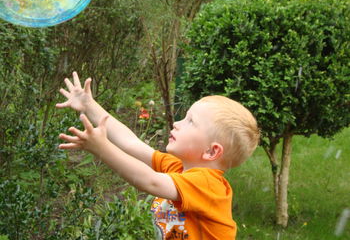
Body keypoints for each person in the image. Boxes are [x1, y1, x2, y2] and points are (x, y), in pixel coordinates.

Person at [57, 72, 260, 240]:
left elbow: (151, 182)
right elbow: (131, 143)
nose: (176, 123)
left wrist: (102, 148)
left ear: (211, 151)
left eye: (191, 122)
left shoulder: (209, 185)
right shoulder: (178, 168)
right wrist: (89, 106)